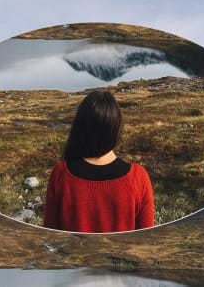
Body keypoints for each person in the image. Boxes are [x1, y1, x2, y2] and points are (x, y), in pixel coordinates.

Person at [43, 90, 154, 233]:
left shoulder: (61, 174)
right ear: (116, 127)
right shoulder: (138, 178)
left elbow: (50, 238)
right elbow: (147, 242)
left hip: (73, 256)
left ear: (80, 127)